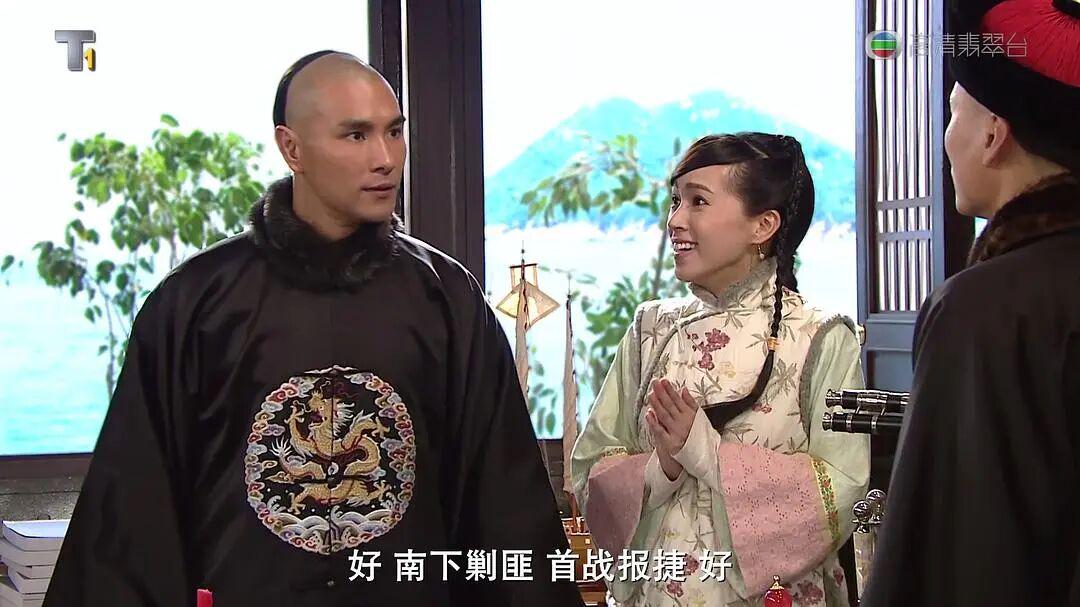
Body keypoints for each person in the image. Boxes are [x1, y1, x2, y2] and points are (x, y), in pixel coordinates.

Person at [44, 50, 584, 607]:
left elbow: (504, 506)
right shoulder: (198, 305)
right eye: (356, 135)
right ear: (291, 148)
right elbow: (133, 521)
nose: (385, 159)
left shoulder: (446, 300)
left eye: (394, 132)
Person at [571, 132, 871, 606]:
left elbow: (844, 488)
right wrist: (660, 469)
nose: (675, 220)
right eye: (676, 201)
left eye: (698, 201)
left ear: (763, 225)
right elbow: (591, 463)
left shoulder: (822, 337)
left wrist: (708, 456)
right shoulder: (650, 329)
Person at [860, 0, 1080, 604]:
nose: (945, 140)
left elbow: (949, 549)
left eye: (954, 113)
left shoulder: (984, 308)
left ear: (992, 134)